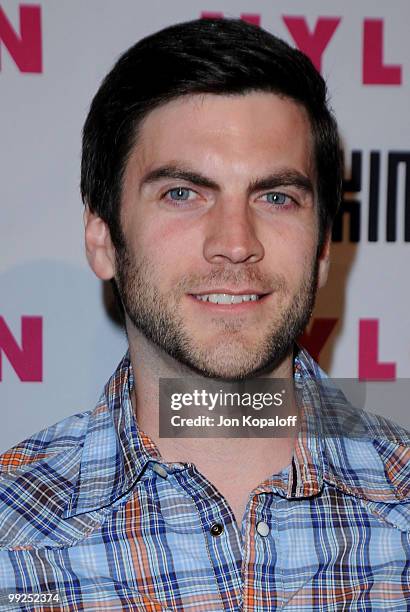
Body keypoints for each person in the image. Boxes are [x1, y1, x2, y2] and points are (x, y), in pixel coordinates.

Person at [0, 17, 409, 611]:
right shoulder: (14, 534)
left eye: (276, 197)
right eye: (183, 194)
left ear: (323, 250)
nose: (235, 242)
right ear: (103, 238)